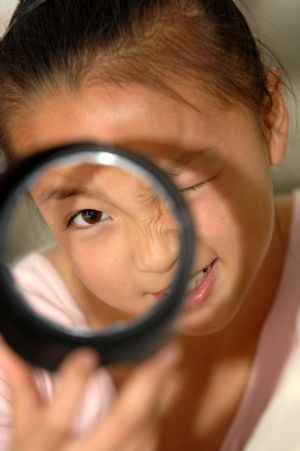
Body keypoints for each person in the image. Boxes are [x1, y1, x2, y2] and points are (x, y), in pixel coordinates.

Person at [0, 0, 298, 449]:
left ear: (269, 117)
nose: (159, 255)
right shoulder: (12, 374)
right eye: (90, 215)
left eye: (182, 184)